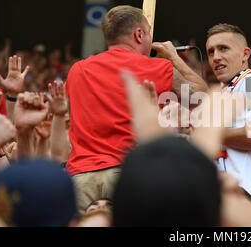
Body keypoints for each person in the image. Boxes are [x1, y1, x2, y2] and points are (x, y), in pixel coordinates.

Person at [65, 5, 208, 214]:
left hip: (80, 177)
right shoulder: (159, 68)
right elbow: (201, 96)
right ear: (139, 34)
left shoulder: (77, 70)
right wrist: (174, 58)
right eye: (149, 32)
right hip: (131, 175)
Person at [205, 23, 251, 211]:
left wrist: (212, 133)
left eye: (223, 49)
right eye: (211, 52)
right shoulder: (227, 90)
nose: (216, 57)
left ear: (245, 54)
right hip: (230, 205)